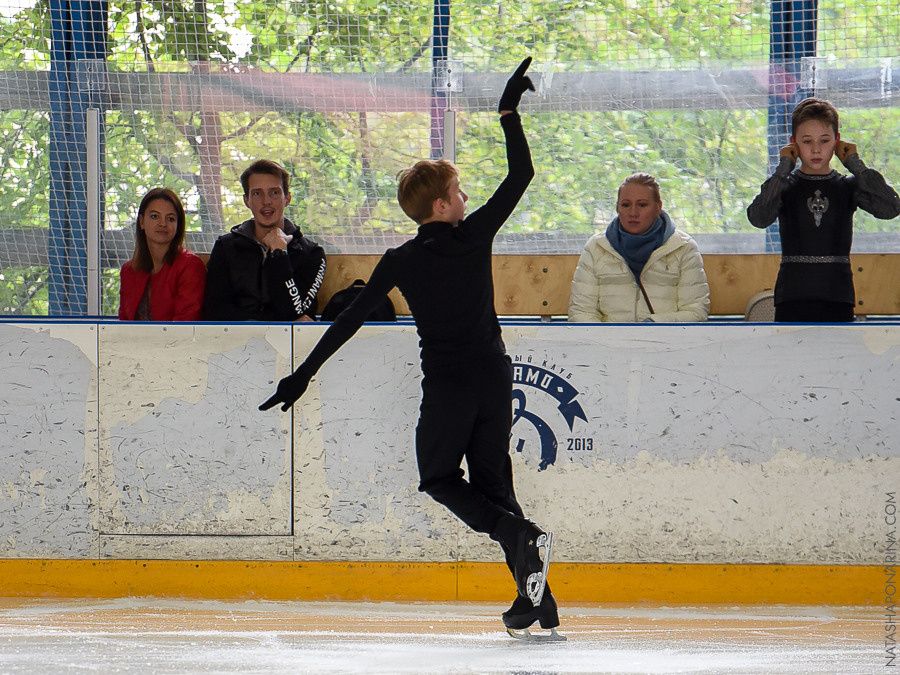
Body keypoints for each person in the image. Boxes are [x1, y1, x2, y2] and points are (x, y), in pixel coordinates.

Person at [259, 58, 563, 639]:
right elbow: (520, 176)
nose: (466, 195)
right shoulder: (474, 236)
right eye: (458, 190)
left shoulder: (401, 260)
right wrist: (507, 113)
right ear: (442, 206)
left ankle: (523, 549)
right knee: (498, 494)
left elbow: (349, 318)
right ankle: (539, 605)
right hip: (494, 379)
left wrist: (304, 373)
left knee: (439, 479)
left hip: (449, 386)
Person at [747, 97, 900, 322]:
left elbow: (891, 208)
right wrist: (783, 169)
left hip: (837, 296)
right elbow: (758, 218)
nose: (816, 149)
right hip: (792, 296)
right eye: (807, 141)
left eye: (825, 140)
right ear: (794, 143)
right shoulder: (785, 186)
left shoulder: (848, 186)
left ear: (837, 142)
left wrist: (855, 164)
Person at [568, 173, 709, 322]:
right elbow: (581, 312)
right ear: (617, 207)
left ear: (658, 207)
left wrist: (653, 326)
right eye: (626, 205)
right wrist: (606, 340)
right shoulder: (596, 247)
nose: (633, 213)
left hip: (667, 342)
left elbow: (695, 311)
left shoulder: (683, 247)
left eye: (642, 205)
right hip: (607, 342)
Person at [203, 159, 326, 321]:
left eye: (274, 192)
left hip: (290, 344)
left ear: (287, 199)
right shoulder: (226, 247)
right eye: (257, 193)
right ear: (247, 200)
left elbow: (297, 314)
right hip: (237, 342)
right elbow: (214, 311)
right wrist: (264, 324)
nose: (266, 201)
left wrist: (279, 254)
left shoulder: (312, 254)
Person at [118, 188, 206, 321]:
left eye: (170, 219)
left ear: (178, 226)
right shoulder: (128, 271)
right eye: (154, 216)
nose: (163, 224)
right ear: (141, 221)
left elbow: (186, 324)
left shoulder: (190, 266)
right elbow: (123, 323)